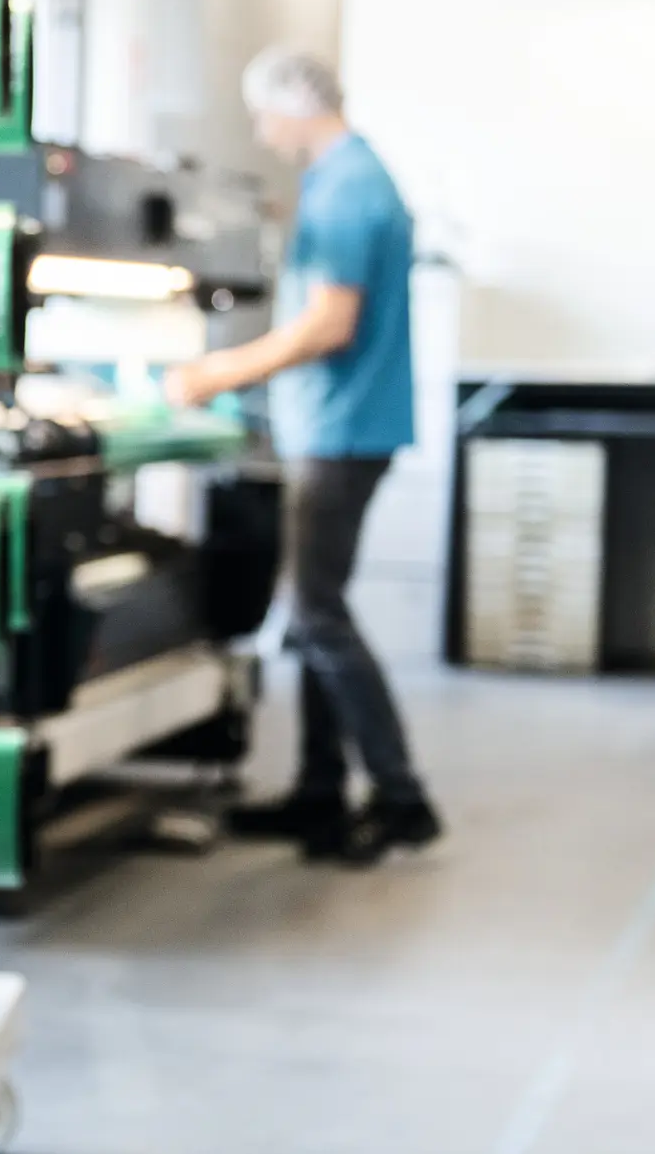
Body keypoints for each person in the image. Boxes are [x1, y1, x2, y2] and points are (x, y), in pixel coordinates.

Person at [166, 47, 442, 868]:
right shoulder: (349, 179)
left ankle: (402, 798)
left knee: (319, 613)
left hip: (341, 432)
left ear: (294, 103)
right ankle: (321, 797)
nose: (261, 129)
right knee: (317, 617)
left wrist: (218, 371)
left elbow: (328, 326)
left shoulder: (348, 188)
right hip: (342, 426)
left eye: (263, 113)